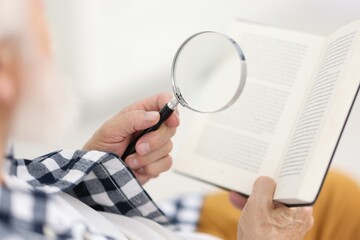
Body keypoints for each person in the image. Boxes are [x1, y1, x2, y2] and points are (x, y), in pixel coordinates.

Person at [0, 0, 313, 239]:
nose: (52, 42)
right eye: (39, 16)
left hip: (152, 221)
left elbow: (44, 197)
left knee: (337, 195)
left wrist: (96, 172)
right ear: (5, 77)